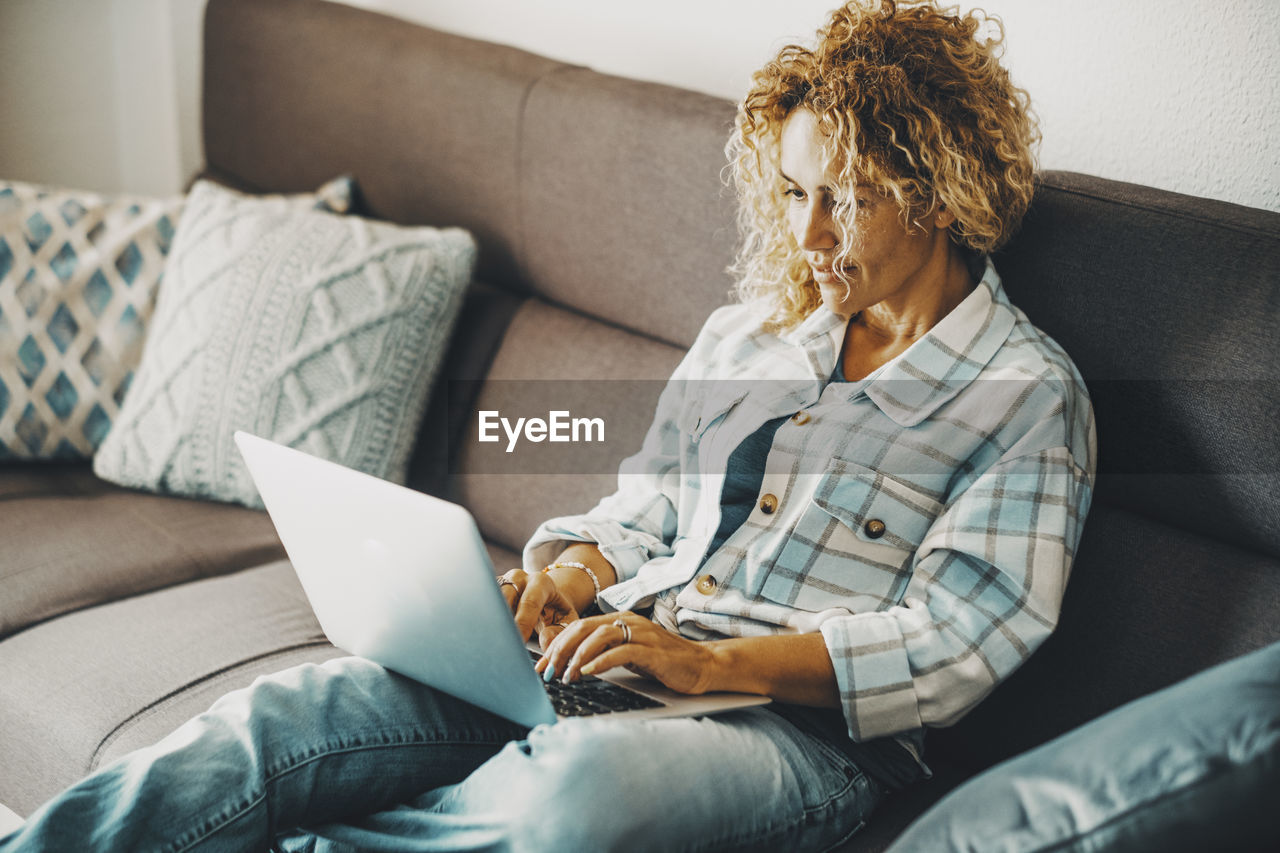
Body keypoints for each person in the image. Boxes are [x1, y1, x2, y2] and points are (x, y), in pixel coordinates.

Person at [1, 1, 1094, 850]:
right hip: (604, 652)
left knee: (566, 804)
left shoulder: (1024, 396)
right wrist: (570, 566)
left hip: (795, 738)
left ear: (941, 193)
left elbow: (958, 641)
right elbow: (644, 504)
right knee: (287, 714)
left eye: (844, 197)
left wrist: (710, 667)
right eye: (795, 191)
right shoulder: (754, 335)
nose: (805, 232)